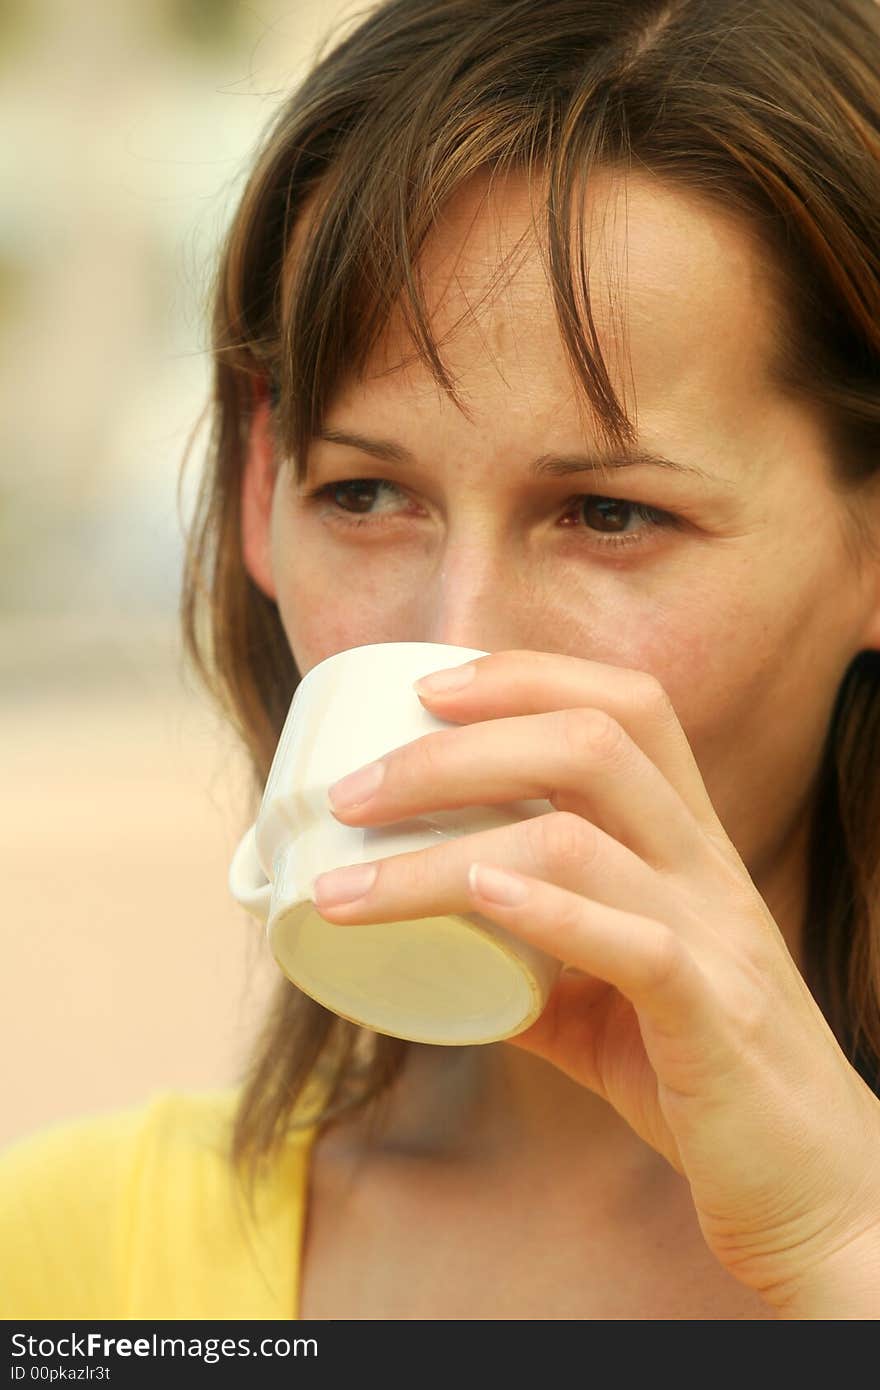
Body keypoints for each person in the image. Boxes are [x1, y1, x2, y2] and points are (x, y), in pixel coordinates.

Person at [3, 0, 880, 1321]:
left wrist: (847, 1238)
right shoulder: (71, 1267)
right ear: (260, 486)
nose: (452, 642)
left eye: (610, 514)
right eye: (364, 493)